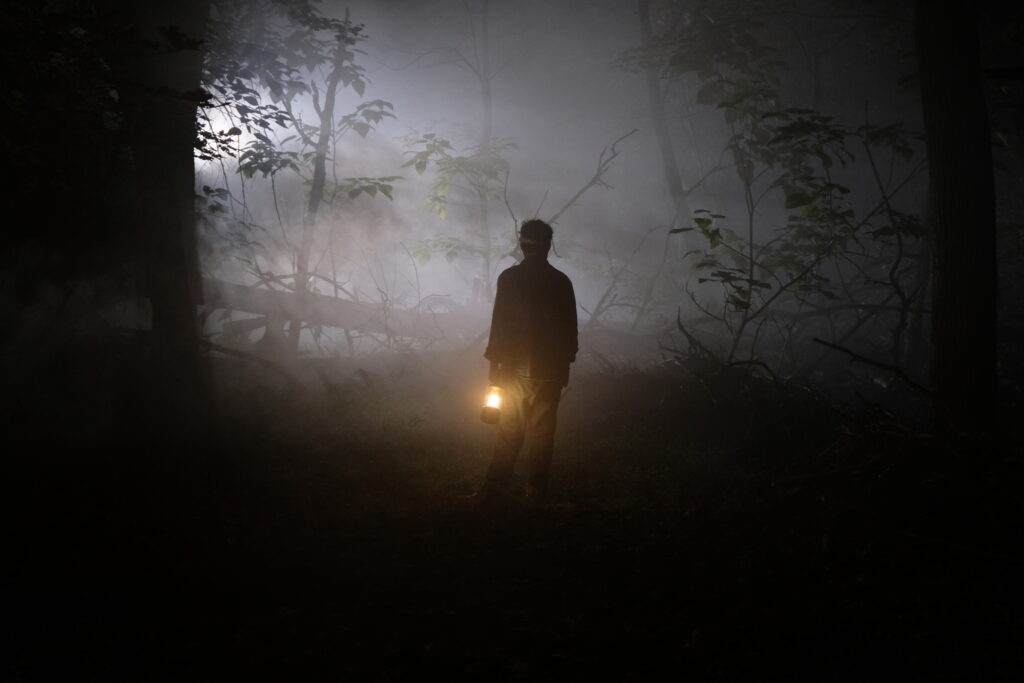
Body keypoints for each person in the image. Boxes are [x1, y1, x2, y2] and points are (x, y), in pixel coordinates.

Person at [478, 219, 578, 504]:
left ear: (522, 244)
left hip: (514, 370)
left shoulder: (510, 279)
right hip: (550, 372)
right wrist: (565, 367)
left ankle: (494, 490)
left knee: (509, 431)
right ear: (548, 246)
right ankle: (536, 492)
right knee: (543, 434)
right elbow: (570, 330)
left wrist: (493, 370)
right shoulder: (561, 282)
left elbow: (500, 326)